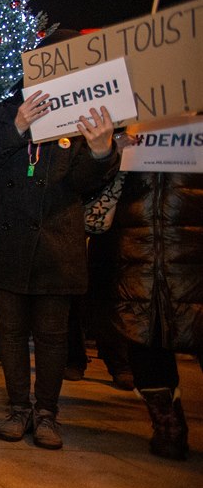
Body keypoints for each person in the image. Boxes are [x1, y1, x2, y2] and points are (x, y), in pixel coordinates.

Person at [0, 30, 118, 450]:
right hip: (4, 241)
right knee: (9, 330)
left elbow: (85, 183)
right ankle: (17, 408)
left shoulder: (84, 118)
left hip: (56, 243)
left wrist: (102, 152)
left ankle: (46, 413)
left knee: (52, 333)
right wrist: (17, 126)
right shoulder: (2, 112)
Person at [96, 147, 201, 460]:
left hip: (191, 246)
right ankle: (168, 423)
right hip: (134, 249)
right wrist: (105, 150)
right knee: (144, 337)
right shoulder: (122, 122)